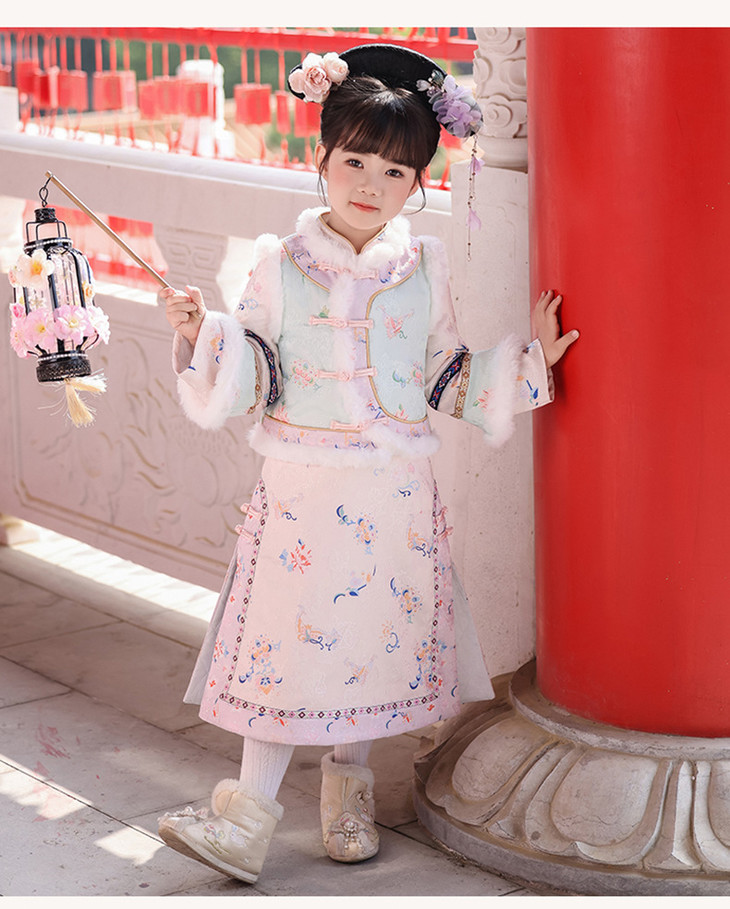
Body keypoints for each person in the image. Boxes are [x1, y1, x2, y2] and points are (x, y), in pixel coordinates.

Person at [156, 43, 579, 884]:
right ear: (322, 156)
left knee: (369, 643)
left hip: (394, 496)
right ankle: (245, 820)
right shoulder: (280, 264)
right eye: (355, 160)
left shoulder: (424, 268)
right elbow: (256, 369)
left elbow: (444, 375)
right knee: (286, 644)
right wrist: (201, 335)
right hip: (303, 492)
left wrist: (529, 362)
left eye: (395, 171)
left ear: (417, 181)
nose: (370, 184)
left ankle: (347, 803)